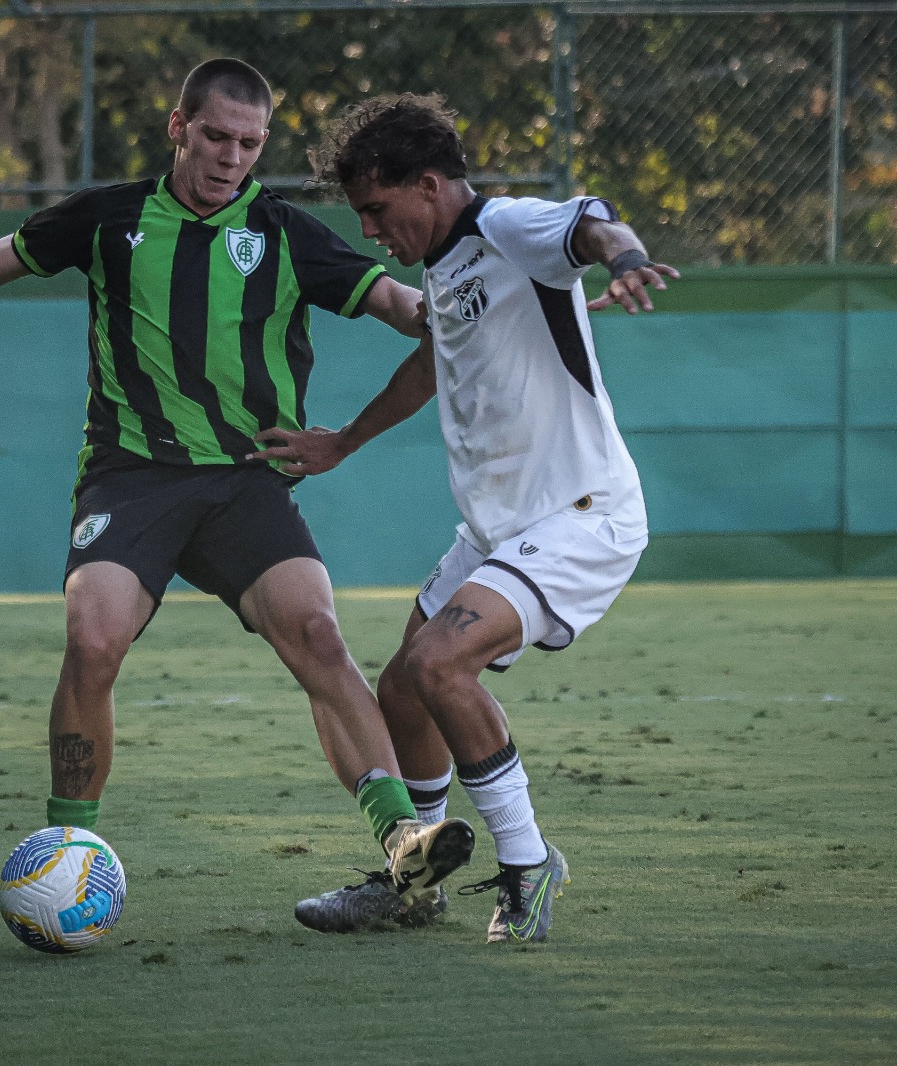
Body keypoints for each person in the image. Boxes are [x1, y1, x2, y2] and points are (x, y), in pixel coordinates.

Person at [0, 61, 474, 921]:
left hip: (246, 483)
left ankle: (402, 843)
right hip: (131, 477)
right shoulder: (107, 217)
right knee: (92, 637)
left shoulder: (289, 234)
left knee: (319, 639)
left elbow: (412, 308)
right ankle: (69, 847)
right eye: (216, 136)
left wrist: (505, 299)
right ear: (178, 127)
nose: (231, 157)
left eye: (250, 144)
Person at [252, 93, 679, 943]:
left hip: (581, 516)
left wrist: (625, 256)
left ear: (431, 184)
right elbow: (430, 363)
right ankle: (415, 881)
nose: (373, 230)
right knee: (402, 689)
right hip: (499, 530)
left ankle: (526, 868)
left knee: (441, 662)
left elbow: (591, 223)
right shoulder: (446, 271)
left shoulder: (506, 227)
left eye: (378, 207)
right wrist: (345, 440)